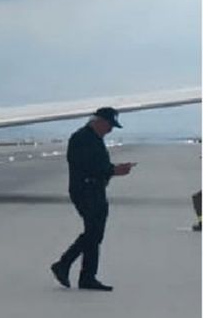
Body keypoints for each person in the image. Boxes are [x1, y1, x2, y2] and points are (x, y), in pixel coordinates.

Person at [50, 107, 135, 291]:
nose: (110, 130)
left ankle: (85, 275)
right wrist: (113, 170)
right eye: (109, 125)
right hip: (85, 190)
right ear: (98, 121)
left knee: (95, 233)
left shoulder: (94, 139)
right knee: (93, 232)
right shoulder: (81, 138)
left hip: (94, 189)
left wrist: (113, 170)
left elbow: (98, 165)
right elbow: (88, 165)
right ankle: (65, 265)